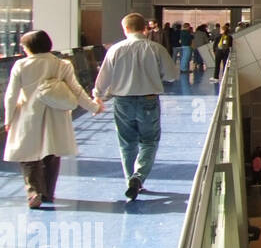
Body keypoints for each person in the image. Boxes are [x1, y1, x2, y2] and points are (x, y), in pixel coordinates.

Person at [3, 29, 102, 208]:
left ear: (29, 47)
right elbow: (76, 90)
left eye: (24, 46)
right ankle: (48, 192)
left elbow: (11, 95)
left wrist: (8, 118)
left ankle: (34, 192)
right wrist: (93, 107)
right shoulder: (62, 64)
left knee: (28, 155)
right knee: (51, 154)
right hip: (56, 115)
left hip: (28, 114)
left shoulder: (21, 65)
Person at [92, 13, 180, 200]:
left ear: (125, 29)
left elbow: (103, 79)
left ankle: (130, 180)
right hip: (148, 100)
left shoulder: (115, 50)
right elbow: (172, 75)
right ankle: (138, 177)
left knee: (126, 143)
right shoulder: (155, 48)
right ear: (145, 28)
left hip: (122, 101)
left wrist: (97, 96)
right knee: (149, 141)